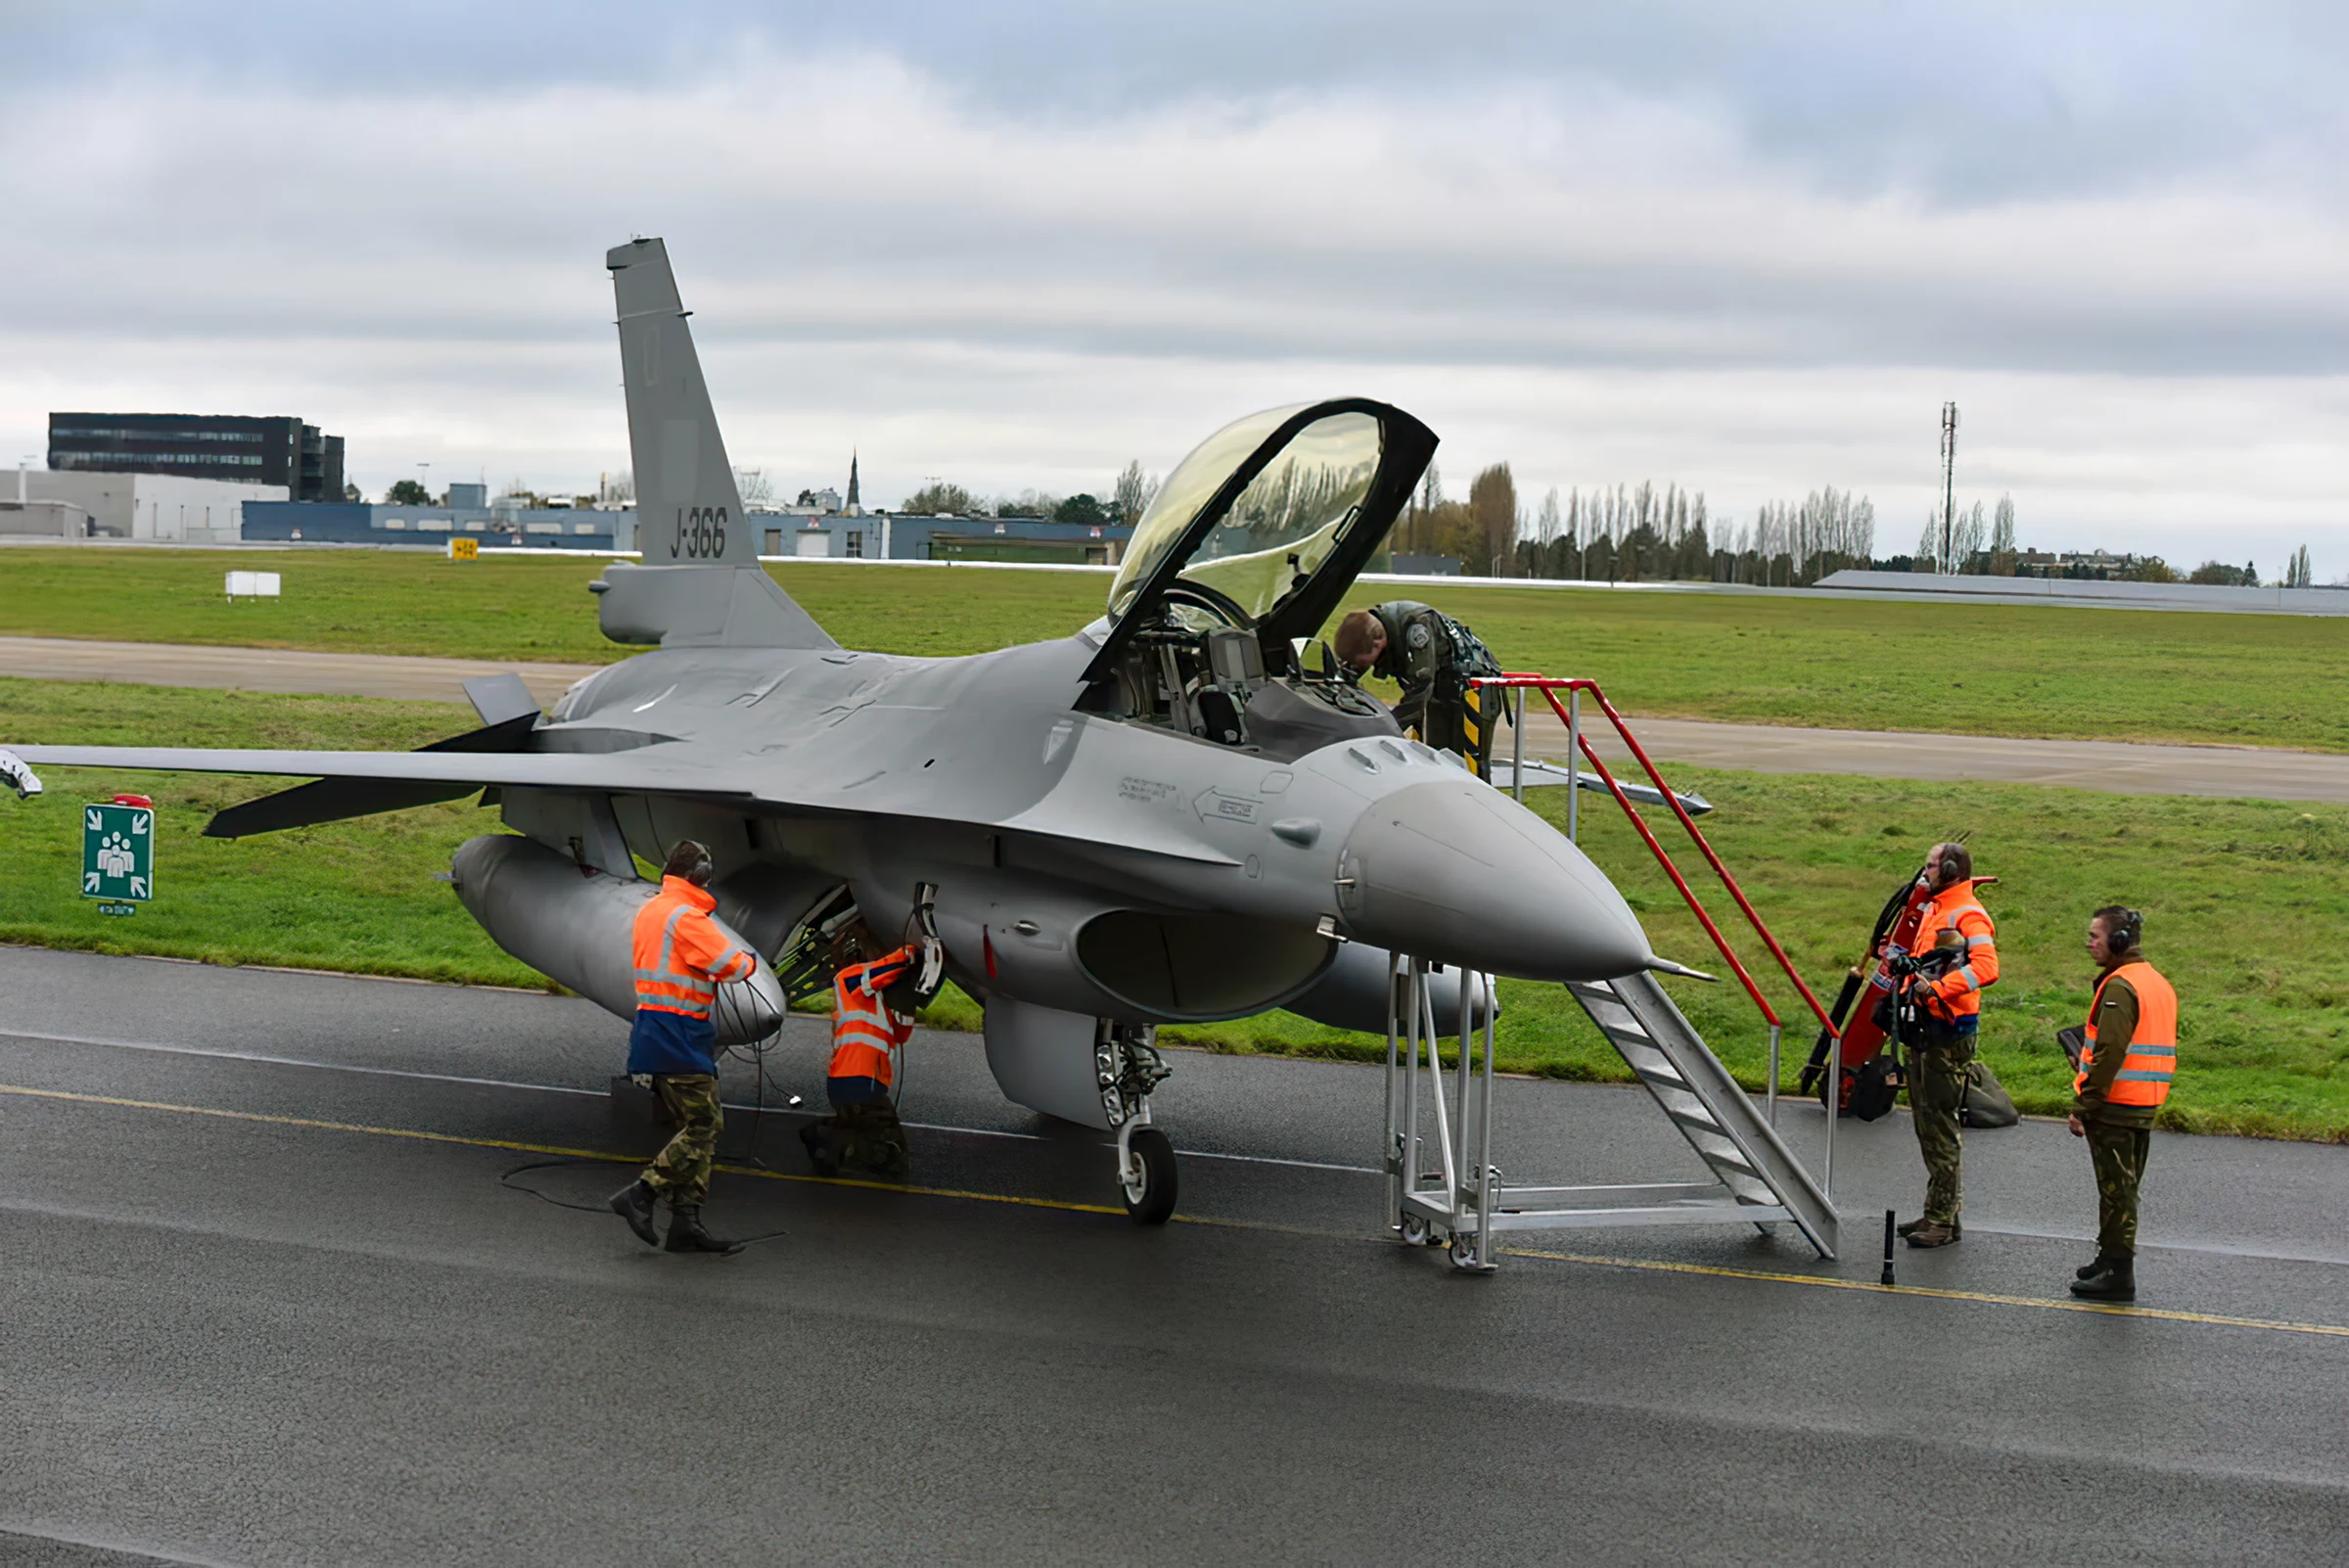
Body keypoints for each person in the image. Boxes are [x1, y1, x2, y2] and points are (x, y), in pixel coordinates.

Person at [607, 840, 760, 1255]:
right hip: (680, 1036)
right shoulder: (688, 917)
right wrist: (750, 960)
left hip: (658, 1034)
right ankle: (642, 1193)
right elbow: (733, 965)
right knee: (704, 1126)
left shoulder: (655, 909)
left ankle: (686, 1225)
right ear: (702, 878)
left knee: (695, 1131)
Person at [2067, 906, 2176, 1303]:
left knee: (2117, 1191)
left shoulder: (2119, 986)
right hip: (2143, 1102)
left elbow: (2110, 1052)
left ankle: (2118, 1272)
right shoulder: (2154, 981)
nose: (2089, 943)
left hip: (2117, 1104)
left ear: (2118, 942)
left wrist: (2084, 1103)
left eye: (2096, 936)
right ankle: (2108, 1256)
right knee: (2121, 1187)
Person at [1894, 842, 1999, 1249]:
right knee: (1928, 1122)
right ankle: (1940, 1212)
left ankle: (1941, 1220)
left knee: (1939, 1125)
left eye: (1931, 865)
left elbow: (1987, 968)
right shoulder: (1937, 908)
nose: (1924, 873)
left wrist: (1936, 991)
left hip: (1946, 1030)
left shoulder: (1967, 913)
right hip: (1926, 1027)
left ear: (1951, 869)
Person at [800, 921, 931, 1180]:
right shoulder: (849, 979)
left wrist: (905, 1000)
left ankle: (824, 1141)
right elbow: (888, 967)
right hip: (858, 1076)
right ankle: (829, 1141)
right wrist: (910, 953)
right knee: (885, 1132)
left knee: (856, 1128)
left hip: (862, 1077)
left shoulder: (872, 1000)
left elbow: (900, 1035)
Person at [1333, 601, 1502, 763]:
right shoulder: (1369, 629)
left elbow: (1420, 690)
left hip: (1475, 687)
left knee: (1463, 760)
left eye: (1364, 663)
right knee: (1437, 756)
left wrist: (1386, 728)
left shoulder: (1417, 627)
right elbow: (1349, 674)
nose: (1362, 668)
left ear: (1378, 645)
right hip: (1444, 686)